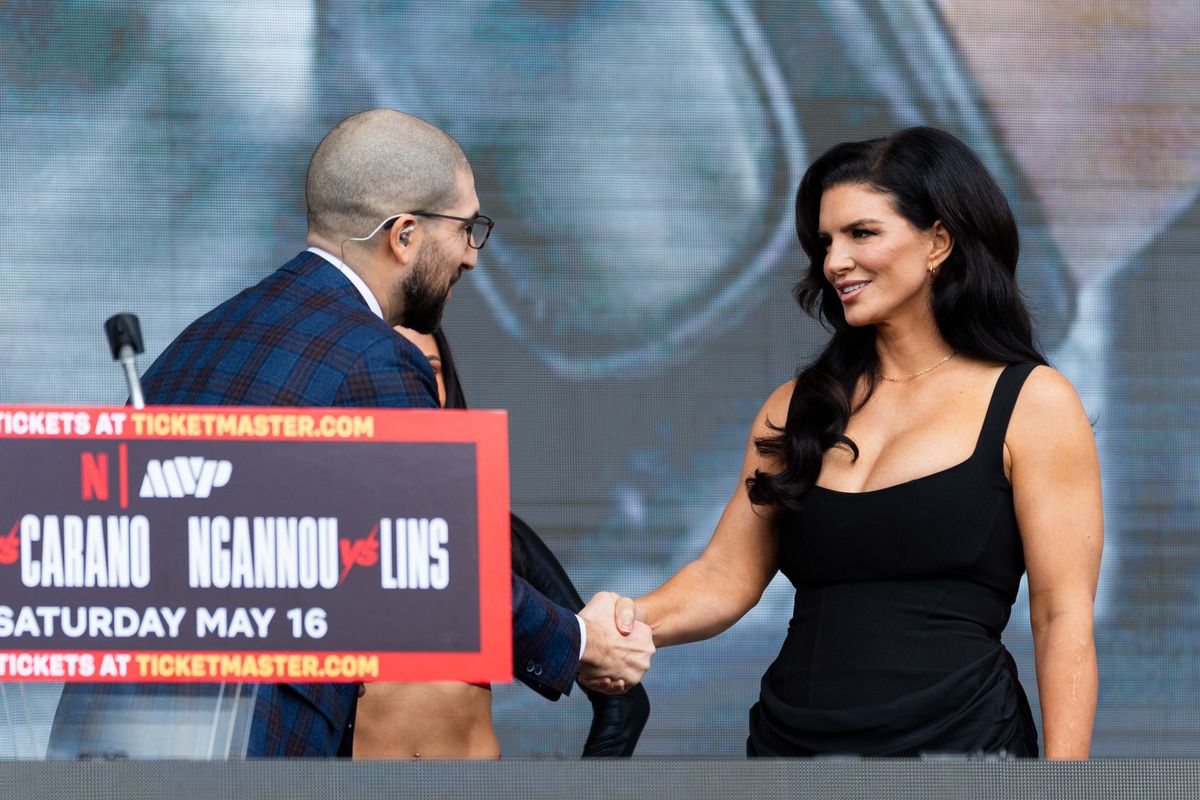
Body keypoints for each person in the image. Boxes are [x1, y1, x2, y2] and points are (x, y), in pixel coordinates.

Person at [49, 108, 653, 758]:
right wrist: (581, 644)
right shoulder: (373, 357)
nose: (472, 257)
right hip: (243, 748)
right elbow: (438, 568)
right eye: (467, 229)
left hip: (100, 740)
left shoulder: (200, 338)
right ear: (404, 235)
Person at [602, 127, 1102, 758]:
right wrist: (619, 623)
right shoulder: (796, 407)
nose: (834, 261)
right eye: (826, 242)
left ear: (939, 242)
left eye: (861, 233)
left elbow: (1061, 618)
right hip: (793, 751)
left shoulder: (1033, 401)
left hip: (962, 752)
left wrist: (1064, 785)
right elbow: (725, 577)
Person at [353, 326, 650, 759]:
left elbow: (621, 698)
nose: (410, 387)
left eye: (428, 371)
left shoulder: (499, 537)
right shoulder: (319, 539)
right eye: (393, 371)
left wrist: (590, 789)